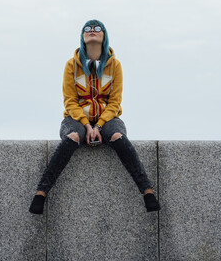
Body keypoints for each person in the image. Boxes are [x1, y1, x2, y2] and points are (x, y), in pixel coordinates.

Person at [29, 19, 160, 214]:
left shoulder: (114, 65)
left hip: (108, 119)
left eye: (97, 28)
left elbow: (115, 102)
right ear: (82, 36)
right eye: (87, 29)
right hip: (76, 118)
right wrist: (86, 125)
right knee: (72, 137)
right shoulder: (71, 65)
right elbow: (70, 101)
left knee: (117, 137)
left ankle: (147, 191)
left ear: (104, 35)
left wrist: (98, 125)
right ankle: (41, 192)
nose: (92, 31)